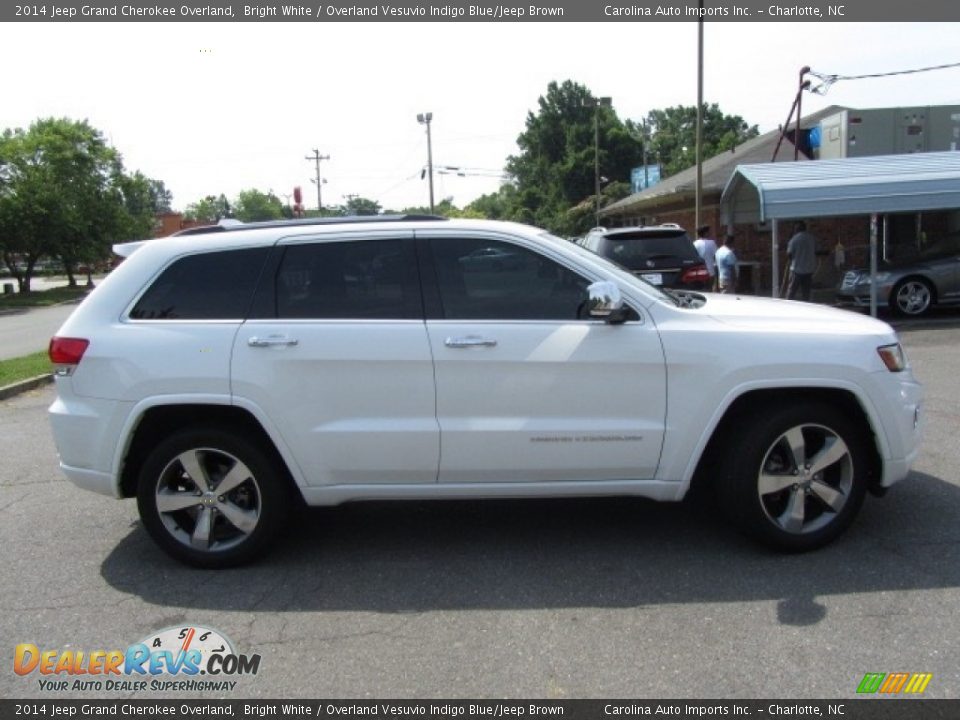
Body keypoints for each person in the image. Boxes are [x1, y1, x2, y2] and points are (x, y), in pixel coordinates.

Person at [786, 220, 818, 301]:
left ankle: (787, 308)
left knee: (791, 292)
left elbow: (789, 254)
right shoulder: (812, 238)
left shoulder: (794, 240)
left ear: (796, 229)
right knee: (806, 293)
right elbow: (817, 250)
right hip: (808, 270)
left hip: (796, 270)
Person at [693, 225, 718, 290]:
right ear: (705, 233)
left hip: (698, 271)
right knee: (709, 290)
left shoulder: (695, 244)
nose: (710, 233)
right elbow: (716, 256)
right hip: (710, 271)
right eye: (709, 231)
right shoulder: (712, 243)